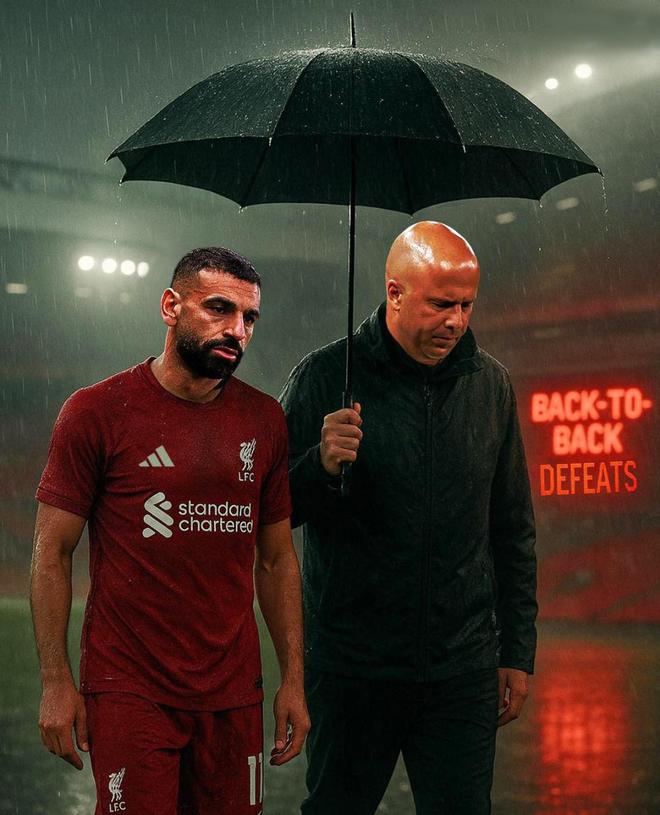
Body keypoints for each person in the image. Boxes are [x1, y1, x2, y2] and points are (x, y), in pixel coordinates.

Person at [31, 246, 310, 815]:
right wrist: (57, 681)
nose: (237, 330)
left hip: (234, 692)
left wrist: (293, 680)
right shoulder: (96, 412)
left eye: (249, 317)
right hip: (130, 686)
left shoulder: (264, 420)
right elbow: (51, 552)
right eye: (219, 309)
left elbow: (277, 560)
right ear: (170, 306)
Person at [279, 222, 537, 815]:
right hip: (352, 667)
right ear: (394, 293)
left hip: (462, 670)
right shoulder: (325, 377)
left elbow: (513, 530)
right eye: (441, 304)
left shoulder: (491, 386)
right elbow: (271, 514)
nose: (456, 321)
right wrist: (320, 465)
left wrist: (517, 652)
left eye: (467, 305)